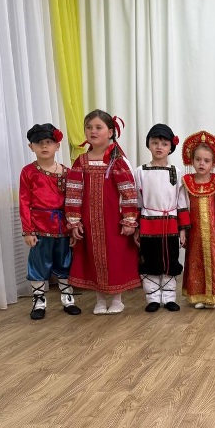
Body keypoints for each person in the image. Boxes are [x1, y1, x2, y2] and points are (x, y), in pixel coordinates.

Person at [65, 110, 141, 314]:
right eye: (89, 127)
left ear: (110, 132)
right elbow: (73, 192)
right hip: (89, 222)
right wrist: (74, 221)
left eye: (98, 127)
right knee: (92, 258)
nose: (93, 131)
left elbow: (129, 192)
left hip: (113, 222)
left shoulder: (117, 161)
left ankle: (117, 299)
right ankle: (99, 300)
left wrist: (129, 219)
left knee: (115, 258)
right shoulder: (81, 161)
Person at [19, 123, 81, 320]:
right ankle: (38, 301)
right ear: (31, 147)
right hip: (40, 227)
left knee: (65, 262)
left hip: (63, 227)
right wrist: (28, 230)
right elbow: (24, 202)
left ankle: (67, 298)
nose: (44, 146)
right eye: (39, 143)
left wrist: (73, 227)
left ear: (57, 145)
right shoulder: (28, 172)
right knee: (38, 264)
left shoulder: (67, 172)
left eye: (48, 142)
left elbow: (73, 202)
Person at [134, 124, 190, 312]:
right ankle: (152, 298)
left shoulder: (176, 171)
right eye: (155, 142)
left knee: (170, 259)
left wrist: (183, 229)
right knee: (150, 259)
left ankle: (169, 297)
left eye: (164, 144)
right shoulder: (140, 171)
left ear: (170, 147)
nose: (159, 147)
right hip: (148, 223)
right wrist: (136, 227)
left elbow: (181, 200)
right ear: (148, 144)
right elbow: (137, 200)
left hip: (170, 223)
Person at [181, 131, 215, 308]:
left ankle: (213, 295)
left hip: (213, 231)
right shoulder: (186, 181)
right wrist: (183, 230)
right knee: (195, 262)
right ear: (192, 161)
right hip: (194, 232)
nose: (201, 163)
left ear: (213, 164)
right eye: (198, 159)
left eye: (206, 160)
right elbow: (182, 206)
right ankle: (198, 296)